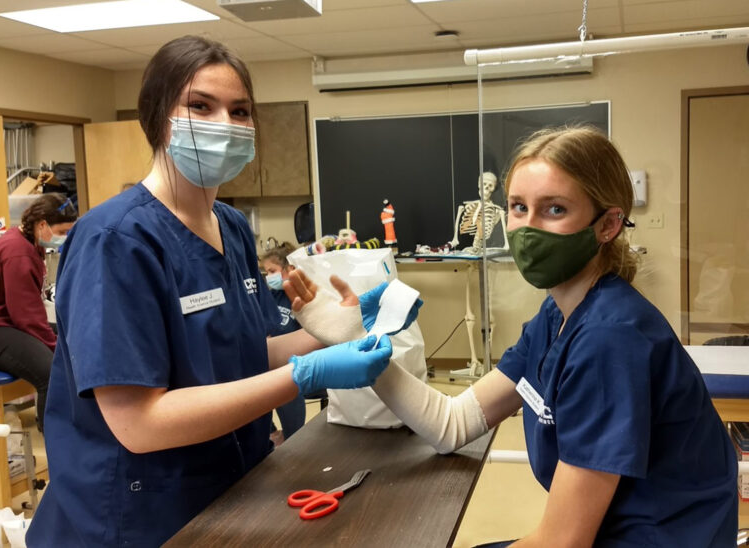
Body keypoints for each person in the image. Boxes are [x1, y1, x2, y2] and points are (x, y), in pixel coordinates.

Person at [286, 126, 737, 547]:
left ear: (608, 224)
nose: (527, 228)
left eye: (554, 209)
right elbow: (452, 423)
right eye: (519, 207)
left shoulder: (609, 339)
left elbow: (562, 541)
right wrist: (359, 343)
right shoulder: (556, 316)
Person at [26, 36, 392, 548]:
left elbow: (237, 358)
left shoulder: (232, 227)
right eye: (201, 106)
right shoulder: (116, 240)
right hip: (136, 514)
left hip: (229, 488)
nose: (225, 123)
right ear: (157, 117)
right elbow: (139, 424)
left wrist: (326, 335)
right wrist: (301, 377)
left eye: (240, 110)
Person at [0, 193, 77, 431]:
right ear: (42, 225)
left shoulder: (25, 243)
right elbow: (26, 317)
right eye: (62, 232)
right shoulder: (19, 252)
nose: (65, 238)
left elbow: (26, 313)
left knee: (66, 334)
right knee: (52, 370)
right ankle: (59, 446)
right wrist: (56, 348)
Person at [261, 241, 306, 445]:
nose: (268, 276)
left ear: (288, 270)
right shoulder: (271, 295)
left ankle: (293, 438)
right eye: (265, 271)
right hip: (271, 359)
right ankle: (268, 435)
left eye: (272, 271)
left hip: (297, 361)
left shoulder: (300, 295)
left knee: (286, 383)